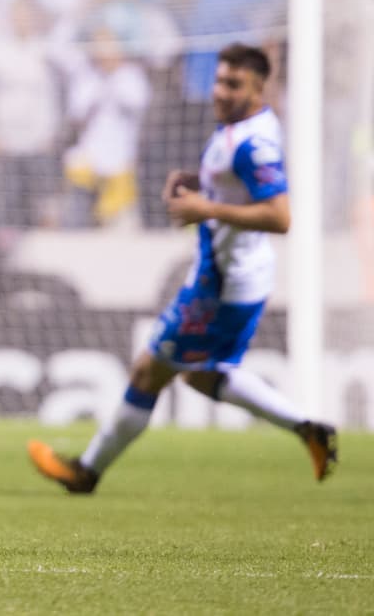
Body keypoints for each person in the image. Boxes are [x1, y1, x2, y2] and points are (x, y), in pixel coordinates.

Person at [27, 43, 338, 493]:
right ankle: (308, 427)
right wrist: (200, 188)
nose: (221, 91)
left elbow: (279, 216)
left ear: (258, 89)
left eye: (234, 84)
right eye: (219, 80)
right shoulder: (238, 128)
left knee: (146, 373)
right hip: (231, 276)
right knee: (198, 373)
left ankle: (86, 472)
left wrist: (204, 207)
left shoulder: (253, 144)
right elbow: (237, 193)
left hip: (223, 283)